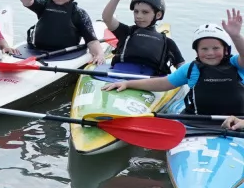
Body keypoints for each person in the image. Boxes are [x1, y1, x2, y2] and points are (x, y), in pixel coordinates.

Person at [104, 10, 244, 130]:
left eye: (216, 48)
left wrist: (236, 36)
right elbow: (163, 83)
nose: (210, 53)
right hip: (197, 123)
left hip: (237, 123)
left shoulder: (236, 64)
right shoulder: (191, 69)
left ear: (226, 50)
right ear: (197, 51)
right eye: (204, 49)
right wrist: (128, 84)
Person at [19, 0, 106, 64]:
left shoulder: (79, 13)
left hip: (67, 55)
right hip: (38, 51)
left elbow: (91, 41)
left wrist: (99, 54)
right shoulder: (43, 5)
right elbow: (24, 0)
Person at [101, 0, 183, 76]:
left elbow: (183, 68)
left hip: (149, 82)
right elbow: (107, 18)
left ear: (158, 15)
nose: (139, 16)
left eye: (145, 12)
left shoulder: (167, 42)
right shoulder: (126, 32)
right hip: (117, 77)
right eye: (136, 11)